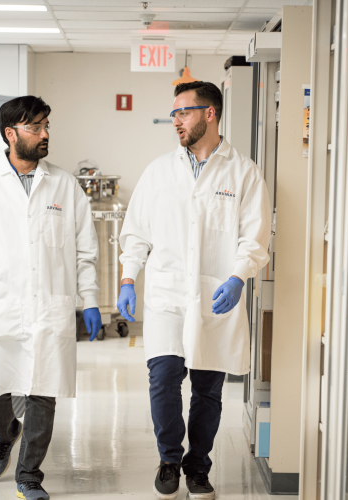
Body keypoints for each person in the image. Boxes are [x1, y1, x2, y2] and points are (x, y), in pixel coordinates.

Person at [0, 95, 102, 500]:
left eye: (47, 125)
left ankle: (30, 475)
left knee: (43, 392)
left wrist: (91, 298)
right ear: (11, 134)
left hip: (48, 310)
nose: (45, 134)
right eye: (36, 127)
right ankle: (6, 433)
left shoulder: (64, 184)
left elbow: (85, 250)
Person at [117, 81, 271, 500]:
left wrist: (239, 276)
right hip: (167, 295)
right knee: (163, 379)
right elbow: (137, 233)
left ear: (210, 113)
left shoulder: (243, 172)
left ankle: (198, 467)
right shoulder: (159, 171)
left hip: (216, 296)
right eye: (174, 113)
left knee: (207, 389)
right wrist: (129, 277)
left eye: (183, 112)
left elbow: (255, 237)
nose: (176, 121)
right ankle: (170, 459)